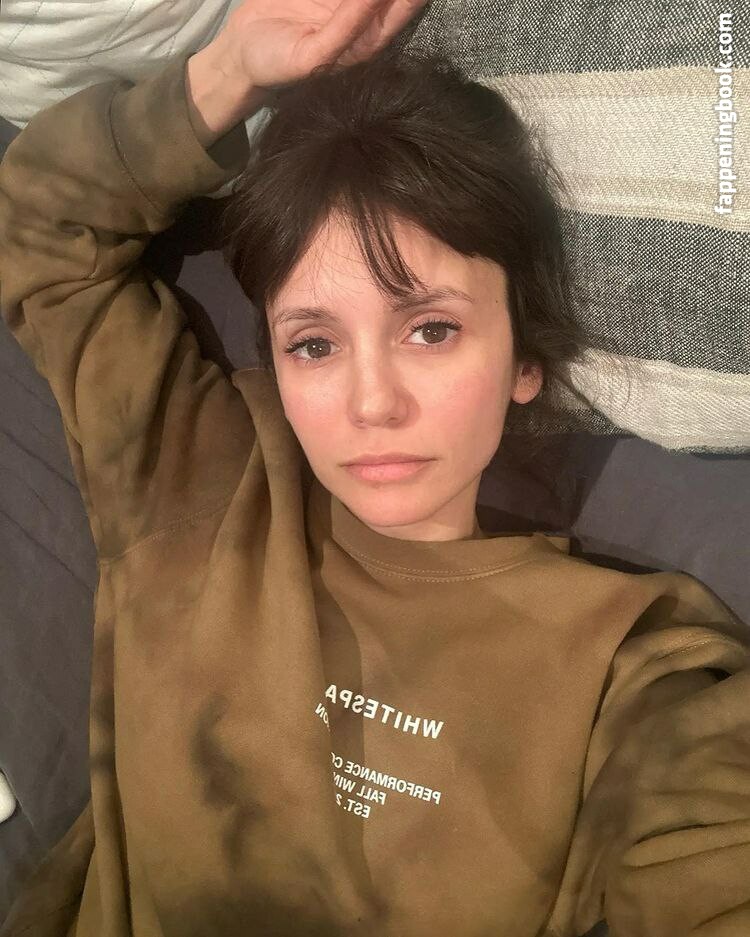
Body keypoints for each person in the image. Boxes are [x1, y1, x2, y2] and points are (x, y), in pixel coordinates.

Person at [0, 2, 749, 935]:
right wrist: (233, 70)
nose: (372, 403)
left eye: (430, 329)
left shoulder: (628, 663)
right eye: (313, 344)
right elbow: (39, 227)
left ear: (525, 361)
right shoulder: (199, 476)